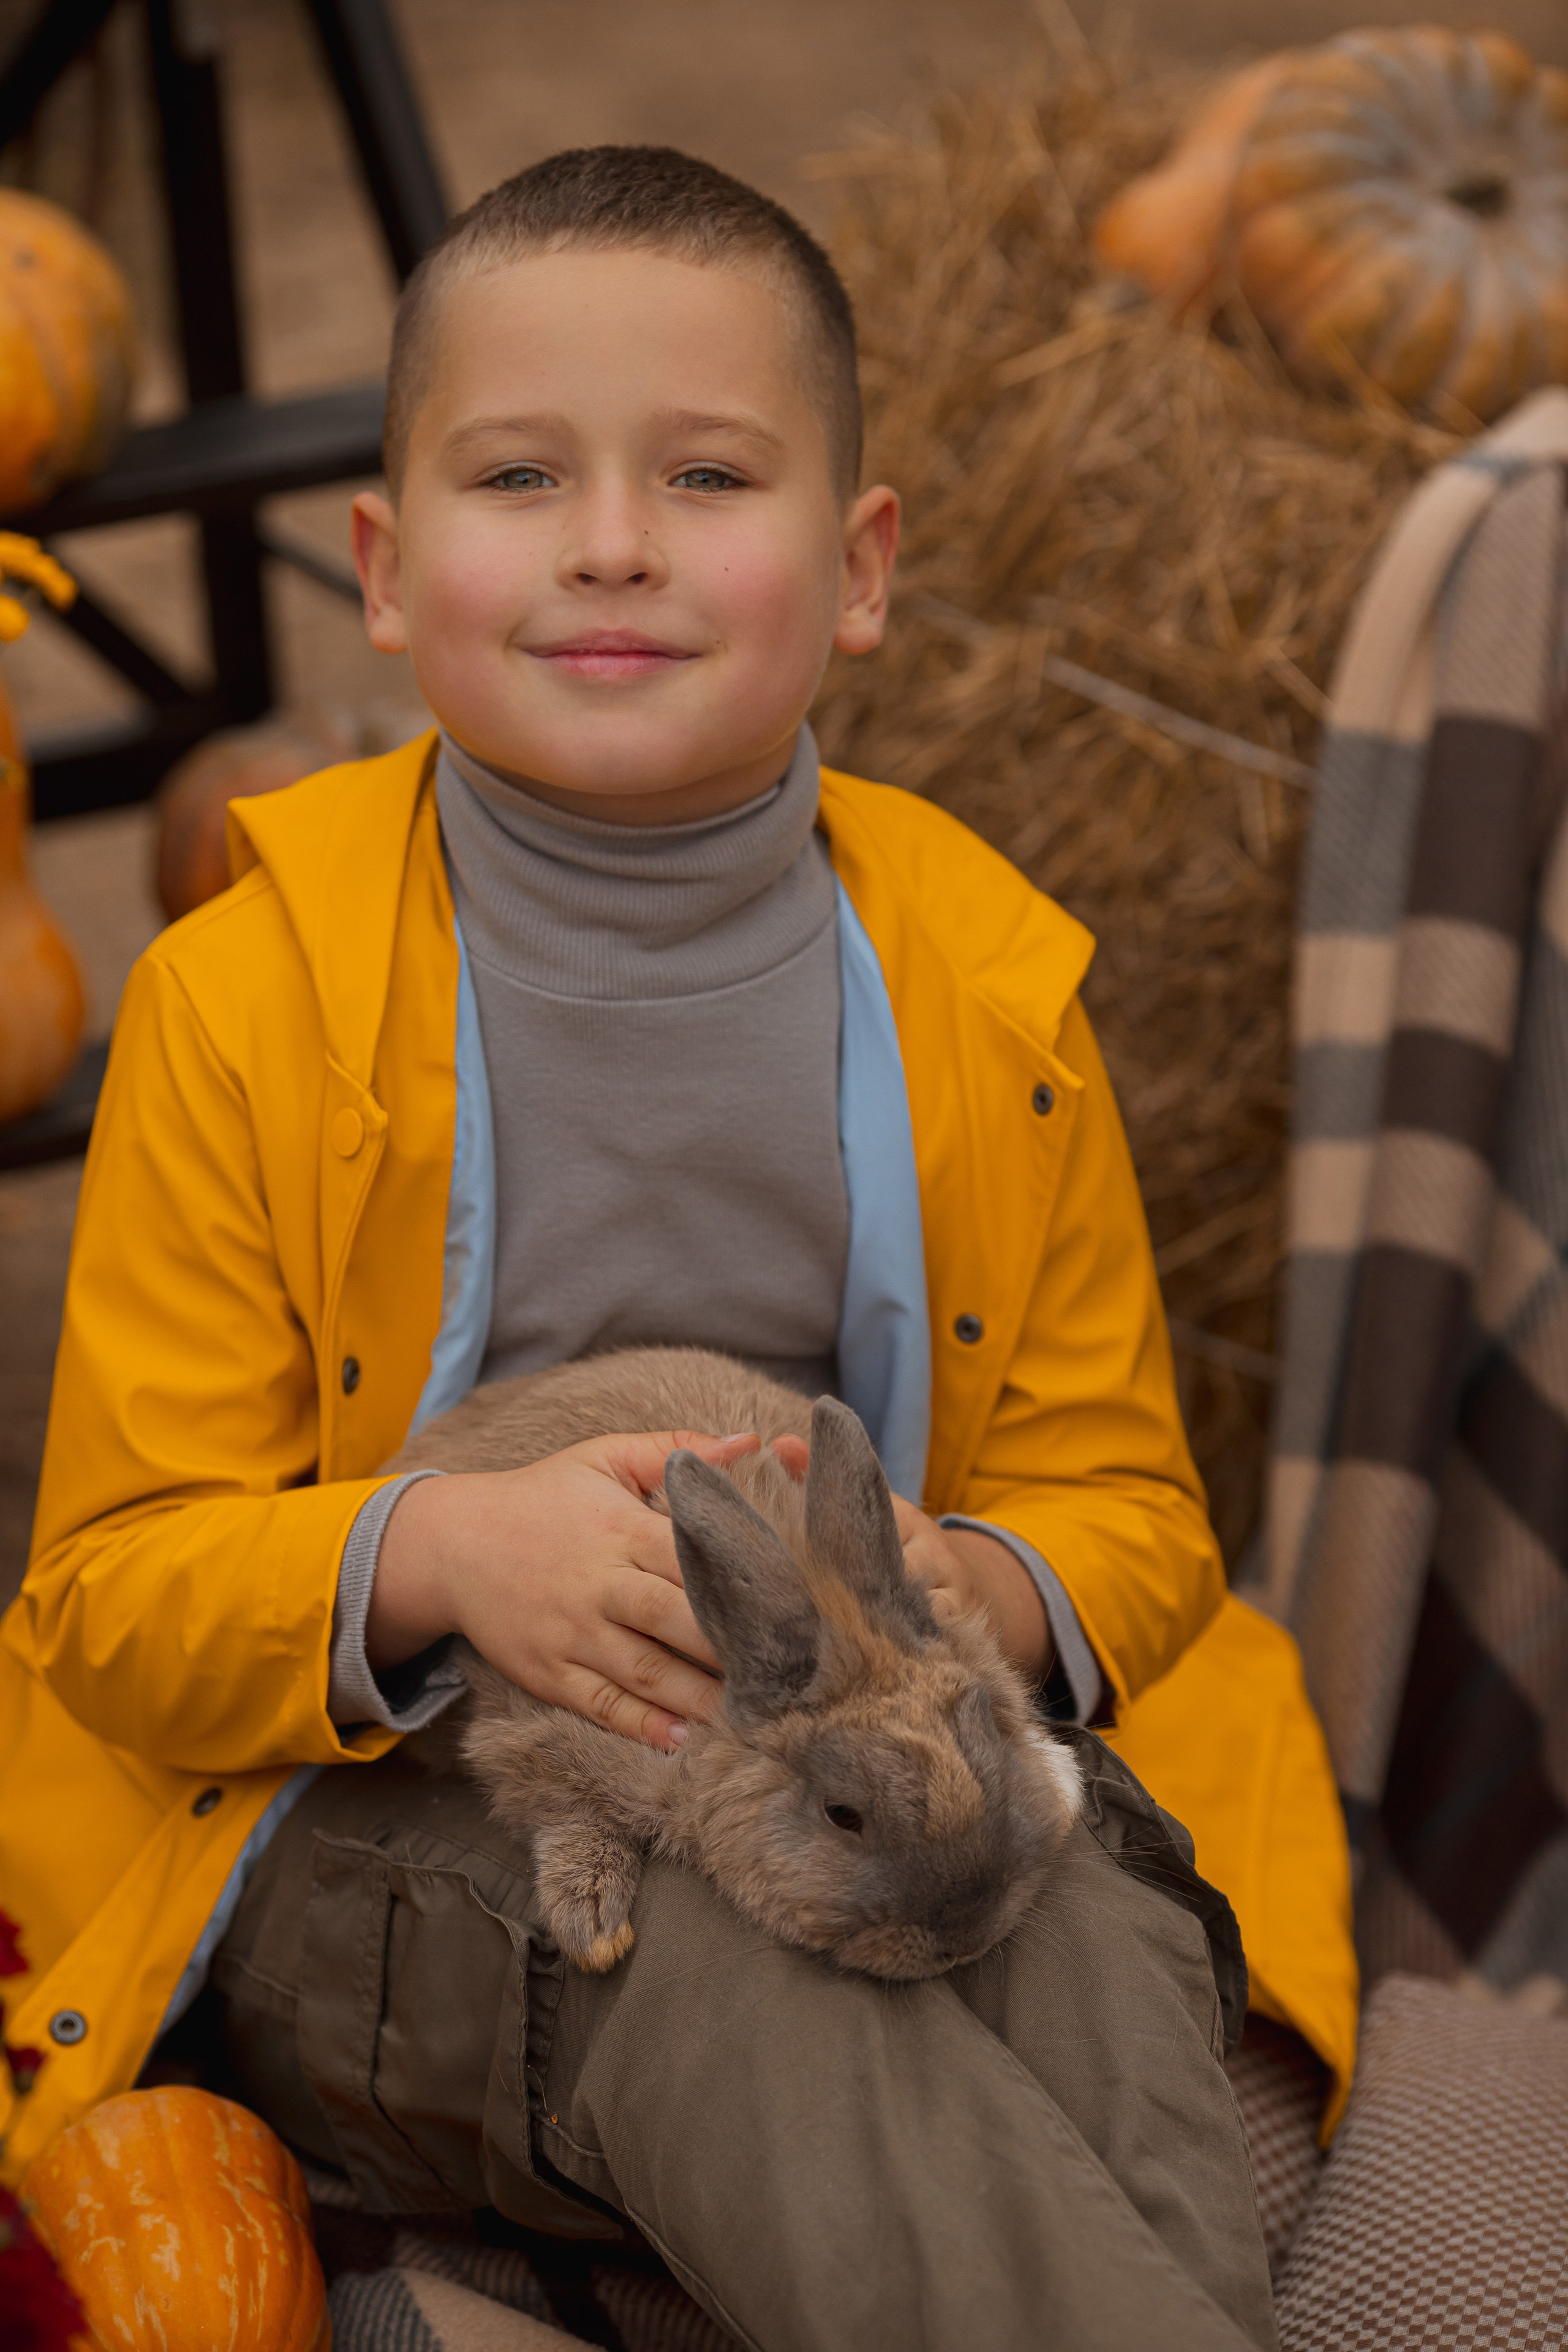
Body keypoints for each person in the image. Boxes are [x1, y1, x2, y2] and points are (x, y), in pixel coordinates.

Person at [0, 147, 1355, 2350]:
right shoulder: (241, 1005)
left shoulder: (984, 994)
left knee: (1092, 1931)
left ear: (859, 570)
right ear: (381, 566)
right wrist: (443, 1559)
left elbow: (1127, 1509)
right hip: (412, 1836)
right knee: (770, 1976)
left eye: (707, 474)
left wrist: (966, 1590)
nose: (612, 538)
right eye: (520, 473)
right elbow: (112, 1592)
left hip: (864, 1735)